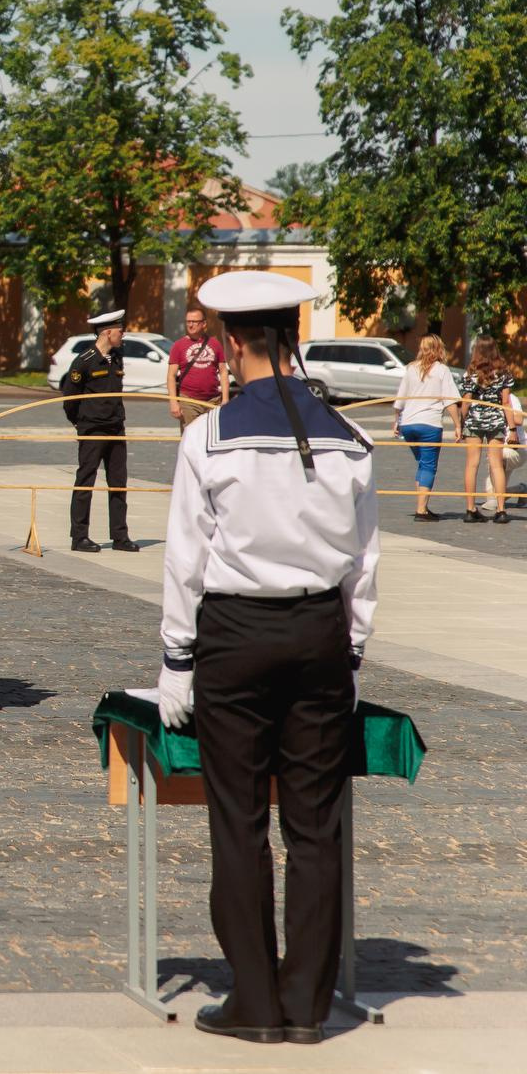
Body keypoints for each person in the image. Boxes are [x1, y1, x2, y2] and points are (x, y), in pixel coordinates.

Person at [154, 271, 379, 1046]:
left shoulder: (207, 437)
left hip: (236, 637)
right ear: (291, 337)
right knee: (316, 827)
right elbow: (363, 562)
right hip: (319, 630)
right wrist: (348, 652)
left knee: (240, 822)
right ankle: (309, 1003)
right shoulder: (350, 438)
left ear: (224, 343)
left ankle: (254, 999)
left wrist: (175, 658)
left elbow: (186, 558)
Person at [62, 307, 138, 553]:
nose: (123, 335)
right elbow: (70, 400)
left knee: (119, 483)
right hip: (93, 429)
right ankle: (79, 536)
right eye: (119, 330)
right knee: (86, 481)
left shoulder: (117, 358)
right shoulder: (83, 362)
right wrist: (82, 424)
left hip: (116, 428)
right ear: (107, 332)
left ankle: (120, 536)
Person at [391, 333, 455, 521]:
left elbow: (400, 399)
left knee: (422, 464)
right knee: (428, 466)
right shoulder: (442, 370)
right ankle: (421, 510)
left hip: (409, 423)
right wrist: (458, 424)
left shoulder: (411, 369)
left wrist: (396, 421)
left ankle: (423, 507)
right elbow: (450, 400)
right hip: (430, 424)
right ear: (439, 349)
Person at [454, 336, 516, 524]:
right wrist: (512, 428)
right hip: (496, 421)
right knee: (497, 465)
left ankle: (470, 509)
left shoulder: (471, 372)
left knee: (472, 464)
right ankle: (501, 509)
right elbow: (506, 402)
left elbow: (466, 401)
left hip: (474, 421)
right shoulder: (504, 373)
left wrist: (460, 423)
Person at [167, 306, 231, 432]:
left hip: (213, 401)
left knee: (212, 438)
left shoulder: (215, 343)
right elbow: (171, 376)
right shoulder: (178, 346)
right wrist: (173, 402)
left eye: (194, 322)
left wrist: (225, 399)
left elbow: (223, 372)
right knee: (190, 439)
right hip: (189, 401)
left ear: (204, 324)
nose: (190, 325)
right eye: (188, 322)